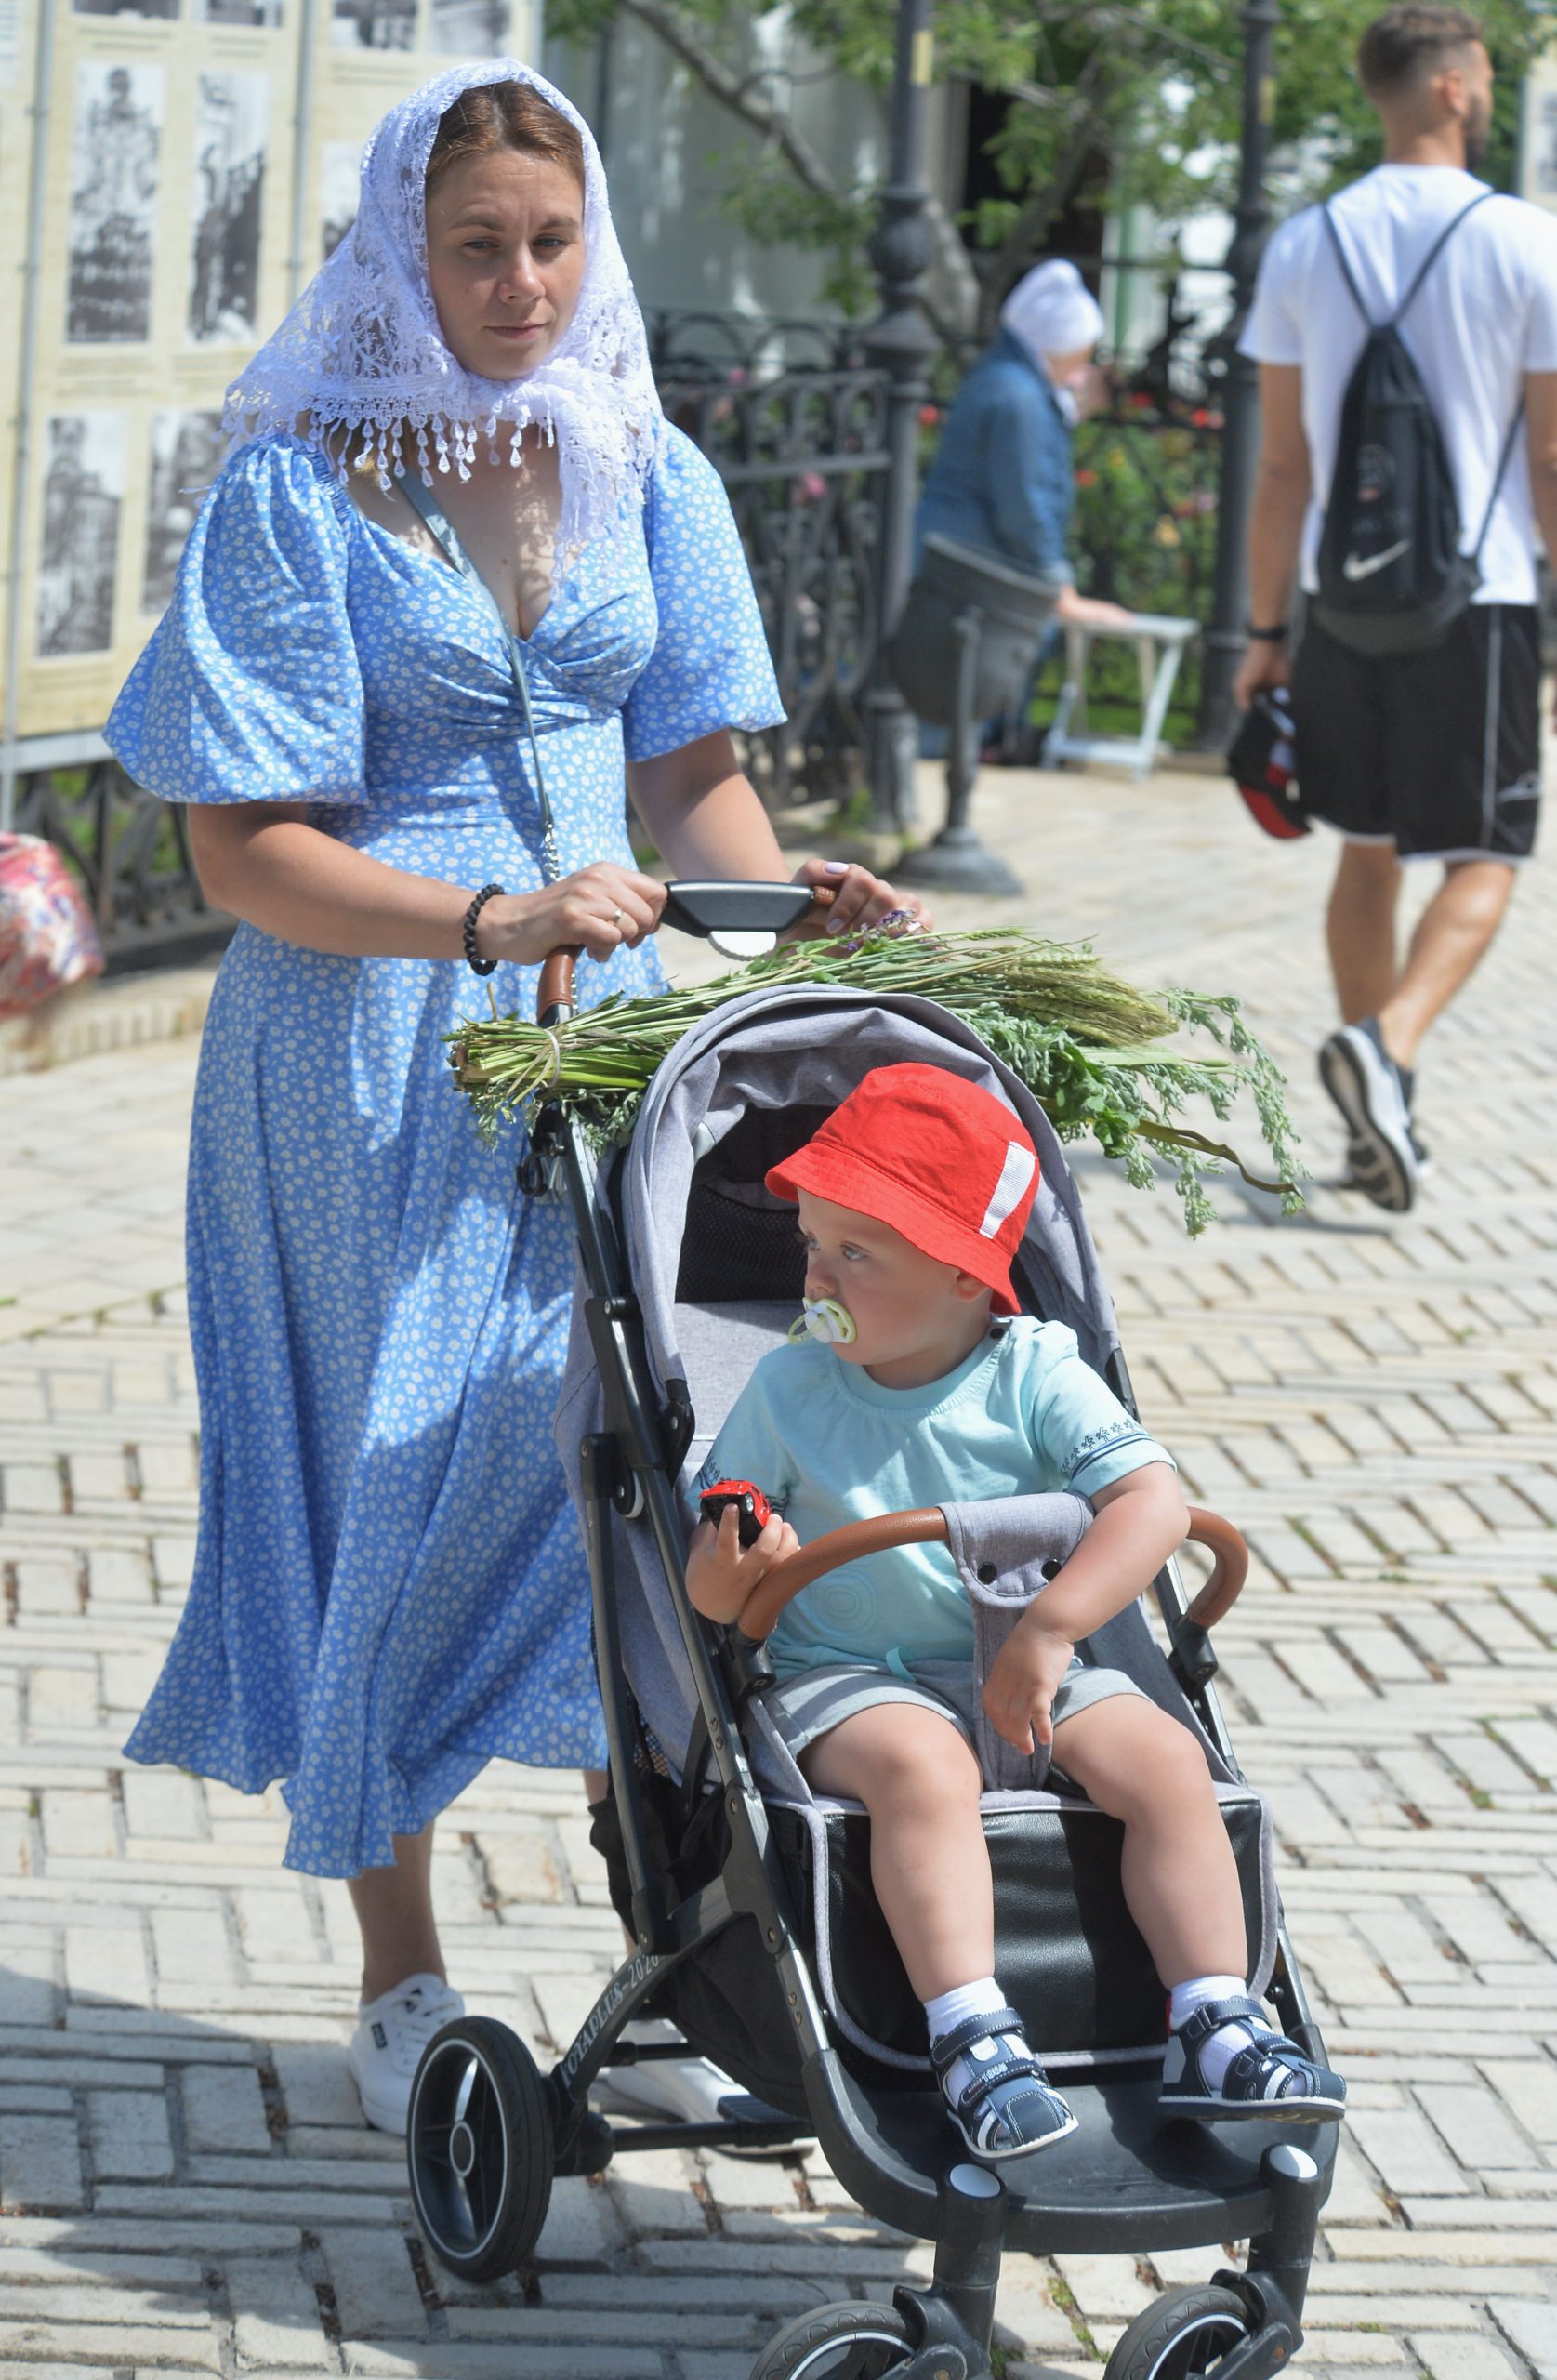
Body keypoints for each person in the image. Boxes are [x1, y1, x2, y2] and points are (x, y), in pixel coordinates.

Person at [103, 60, 920, 2136]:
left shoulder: (645, 464)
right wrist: (484, 915)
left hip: (621, 1026)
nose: (520, 281)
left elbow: (688, 782)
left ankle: (688, 1936)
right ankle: (403, 1971)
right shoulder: (306, 484)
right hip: (373, 1043)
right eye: (475, 244)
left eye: (552, 239)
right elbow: (230, 853)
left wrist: (791, 903)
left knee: (639, 1458)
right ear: (402, 246)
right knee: (395, 1454)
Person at [686, 1065, 1344, 2159]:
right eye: (812, 1241)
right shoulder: (788, 1389)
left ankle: (1217, 2016)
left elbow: (1152, 1502)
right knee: (922, 1765)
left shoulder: (1035, 1371)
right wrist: (737, 1562)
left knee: (1169, 1762)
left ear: (960, 1274)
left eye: (856, 1252)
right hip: (850, 1674)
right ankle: (971, 2033)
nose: (815, 1273)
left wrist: (1050, 1625)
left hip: (1023, 1658)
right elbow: (714, 1594)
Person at [1234, 4, 1557, 1212]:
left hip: (1335, 600)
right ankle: (1389, 1045)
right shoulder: (1524, 242)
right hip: (1478, 601)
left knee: (1363, 846)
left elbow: (1279, 468)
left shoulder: (1304, 243)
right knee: (1483, 852)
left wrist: (1263, 635)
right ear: (1458, 90)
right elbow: (1548, 460)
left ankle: (1381, 1104)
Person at [916, 258, 1132, 638]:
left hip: (960, 572)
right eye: (1083, 349)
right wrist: (1058, 587)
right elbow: (1024, 502)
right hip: (977, 586)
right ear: (1061, 343)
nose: (1084, 362)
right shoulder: (1019, 399)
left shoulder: (1004, 381)